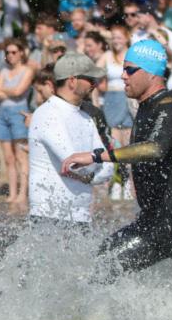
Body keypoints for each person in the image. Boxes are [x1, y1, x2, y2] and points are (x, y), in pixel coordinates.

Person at [61, 40, 172, 313]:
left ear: (151, 73)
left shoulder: (170, 106)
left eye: (129, 70)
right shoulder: (145, 106)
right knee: (105, 263)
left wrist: (97, 156)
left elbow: (155, 149)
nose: (123, 76)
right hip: (154, 222)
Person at [28, 53, 113, 225]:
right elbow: (75, 164)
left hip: (82, 216)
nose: (95, 84)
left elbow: (108, 166)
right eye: (90, 79)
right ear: (72, 81)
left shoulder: (86, 116)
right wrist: (92, 168)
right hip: (49, 215)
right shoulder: (48, 114)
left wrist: (89, 174)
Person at [0, 37, 34, 203]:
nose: (10, 55)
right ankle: (12, 193)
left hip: (19, 112)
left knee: (21, 156)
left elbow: (19, 91)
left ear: (21, 53)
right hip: (2, 112)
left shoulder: (27, 70)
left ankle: (22, 193)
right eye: (7, 53)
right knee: (8, 157)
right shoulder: (3, 71)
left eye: (13, 52)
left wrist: (4, 89)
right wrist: (6, 90)